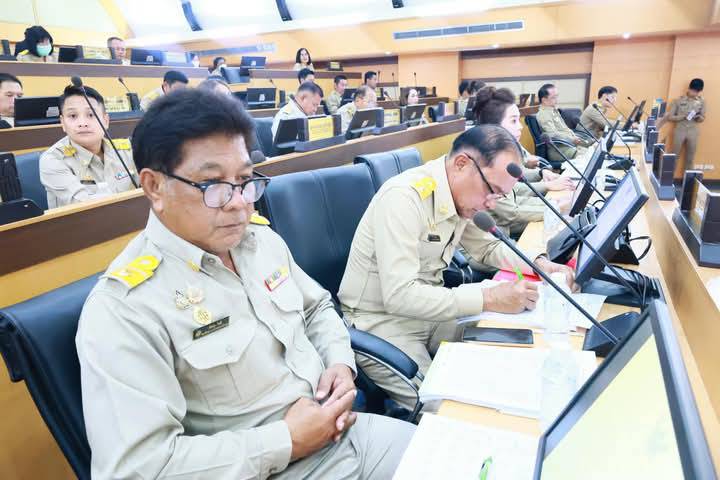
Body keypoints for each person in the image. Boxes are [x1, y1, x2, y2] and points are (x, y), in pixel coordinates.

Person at [76, 87, 415, 479]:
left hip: (345, 432)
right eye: (213, 185)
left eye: (245, 180)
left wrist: (338, 361)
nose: (239, 202)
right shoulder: (125, 307)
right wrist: (287, 440)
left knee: (460, 453)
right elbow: (137, 468)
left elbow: (317, 308)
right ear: (155, 187)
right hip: (272, 469)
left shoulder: (259, 241)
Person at [338, 125, 578, 410]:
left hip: (430, 312)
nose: (491, 203)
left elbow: (488, 247)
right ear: (462, 163)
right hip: (381, 323)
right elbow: (399, 296)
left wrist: (540, 265)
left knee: (512, 345)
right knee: (447, 407)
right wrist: (489, 297)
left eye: (499, 196)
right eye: (491, 190)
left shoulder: (460, 195)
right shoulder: (404, 198)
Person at [473, 87, 574, 237]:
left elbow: (514, 195)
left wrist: (555, 203)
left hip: (506, 225)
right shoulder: (484, 161)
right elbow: (511, 213)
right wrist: (556, 208)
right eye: (513, 121)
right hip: (497, 235)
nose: (520, 126)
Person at [39, 85, 137, 208]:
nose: (82, 123)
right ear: (62, 123)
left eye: (91, 114)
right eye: (73, 116)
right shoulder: (53, 160)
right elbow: (85, 207)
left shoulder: (127, 150)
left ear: (106, 121)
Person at [535, 83, 592, 162]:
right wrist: (572, 139)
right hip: (559, 150)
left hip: (569, 146)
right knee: (589, 158)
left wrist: (574, 137)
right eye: (553, 97)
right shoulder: (543, 114)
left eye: (557, 96)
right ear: (544, 100)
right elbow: (553, 135)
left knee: (593, 153)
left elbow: (564, 129)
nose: (557, 100)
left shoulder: (553, 111)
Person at [668, 78, 706, 172]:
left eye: (697, 92)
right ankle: (668, 178)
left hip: (693, 131)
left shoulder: (702, 101)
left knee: (690, 158)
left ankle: (687, 180)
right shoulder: (678, 101)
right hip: (680, 130)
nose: (695, 93)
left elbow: (703, 117)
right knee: (674, 156)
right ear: (689, 88)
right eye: (693, 91)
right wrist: (683, 116)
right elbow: (670, 117)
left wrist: (699, 117)